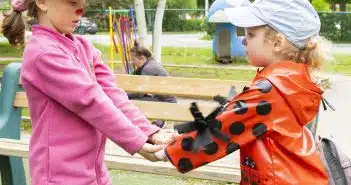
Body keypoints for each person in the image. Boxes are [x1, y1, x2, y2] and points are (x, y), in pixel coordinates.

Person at [156, 0, 331, 184]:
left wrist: (167, 152)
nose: (243, 39)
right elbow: (232, 116)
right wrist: (179, 137)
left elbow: (223, 129)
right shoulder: (288, 82)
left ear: (277, 43)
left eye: (251, 34)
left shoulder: (272, 90)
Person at [2, 0, 175, 184]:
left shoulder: (83, 47)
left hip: (94, 174)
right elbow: (90, 101)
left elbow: (112, 94)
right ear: (43, 3)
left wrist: (149, 132)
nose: (80, 11)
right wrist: (137, 142)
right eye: (72, 2)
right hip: (60, 177)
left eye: (83, 3)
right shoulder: (43, 53)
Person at [128, 41, 177, 128]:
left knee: (131, 101)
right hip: (165, 101)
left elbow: (140, 92)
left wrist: (125, 94)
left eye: (133, 59)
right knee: (134, 99)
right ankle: (159, 121)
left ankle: (160, 121)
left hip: (166, 104)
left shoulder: (148, 68)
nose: (132, 62)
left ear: (142, 58)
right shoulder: (150, 63)